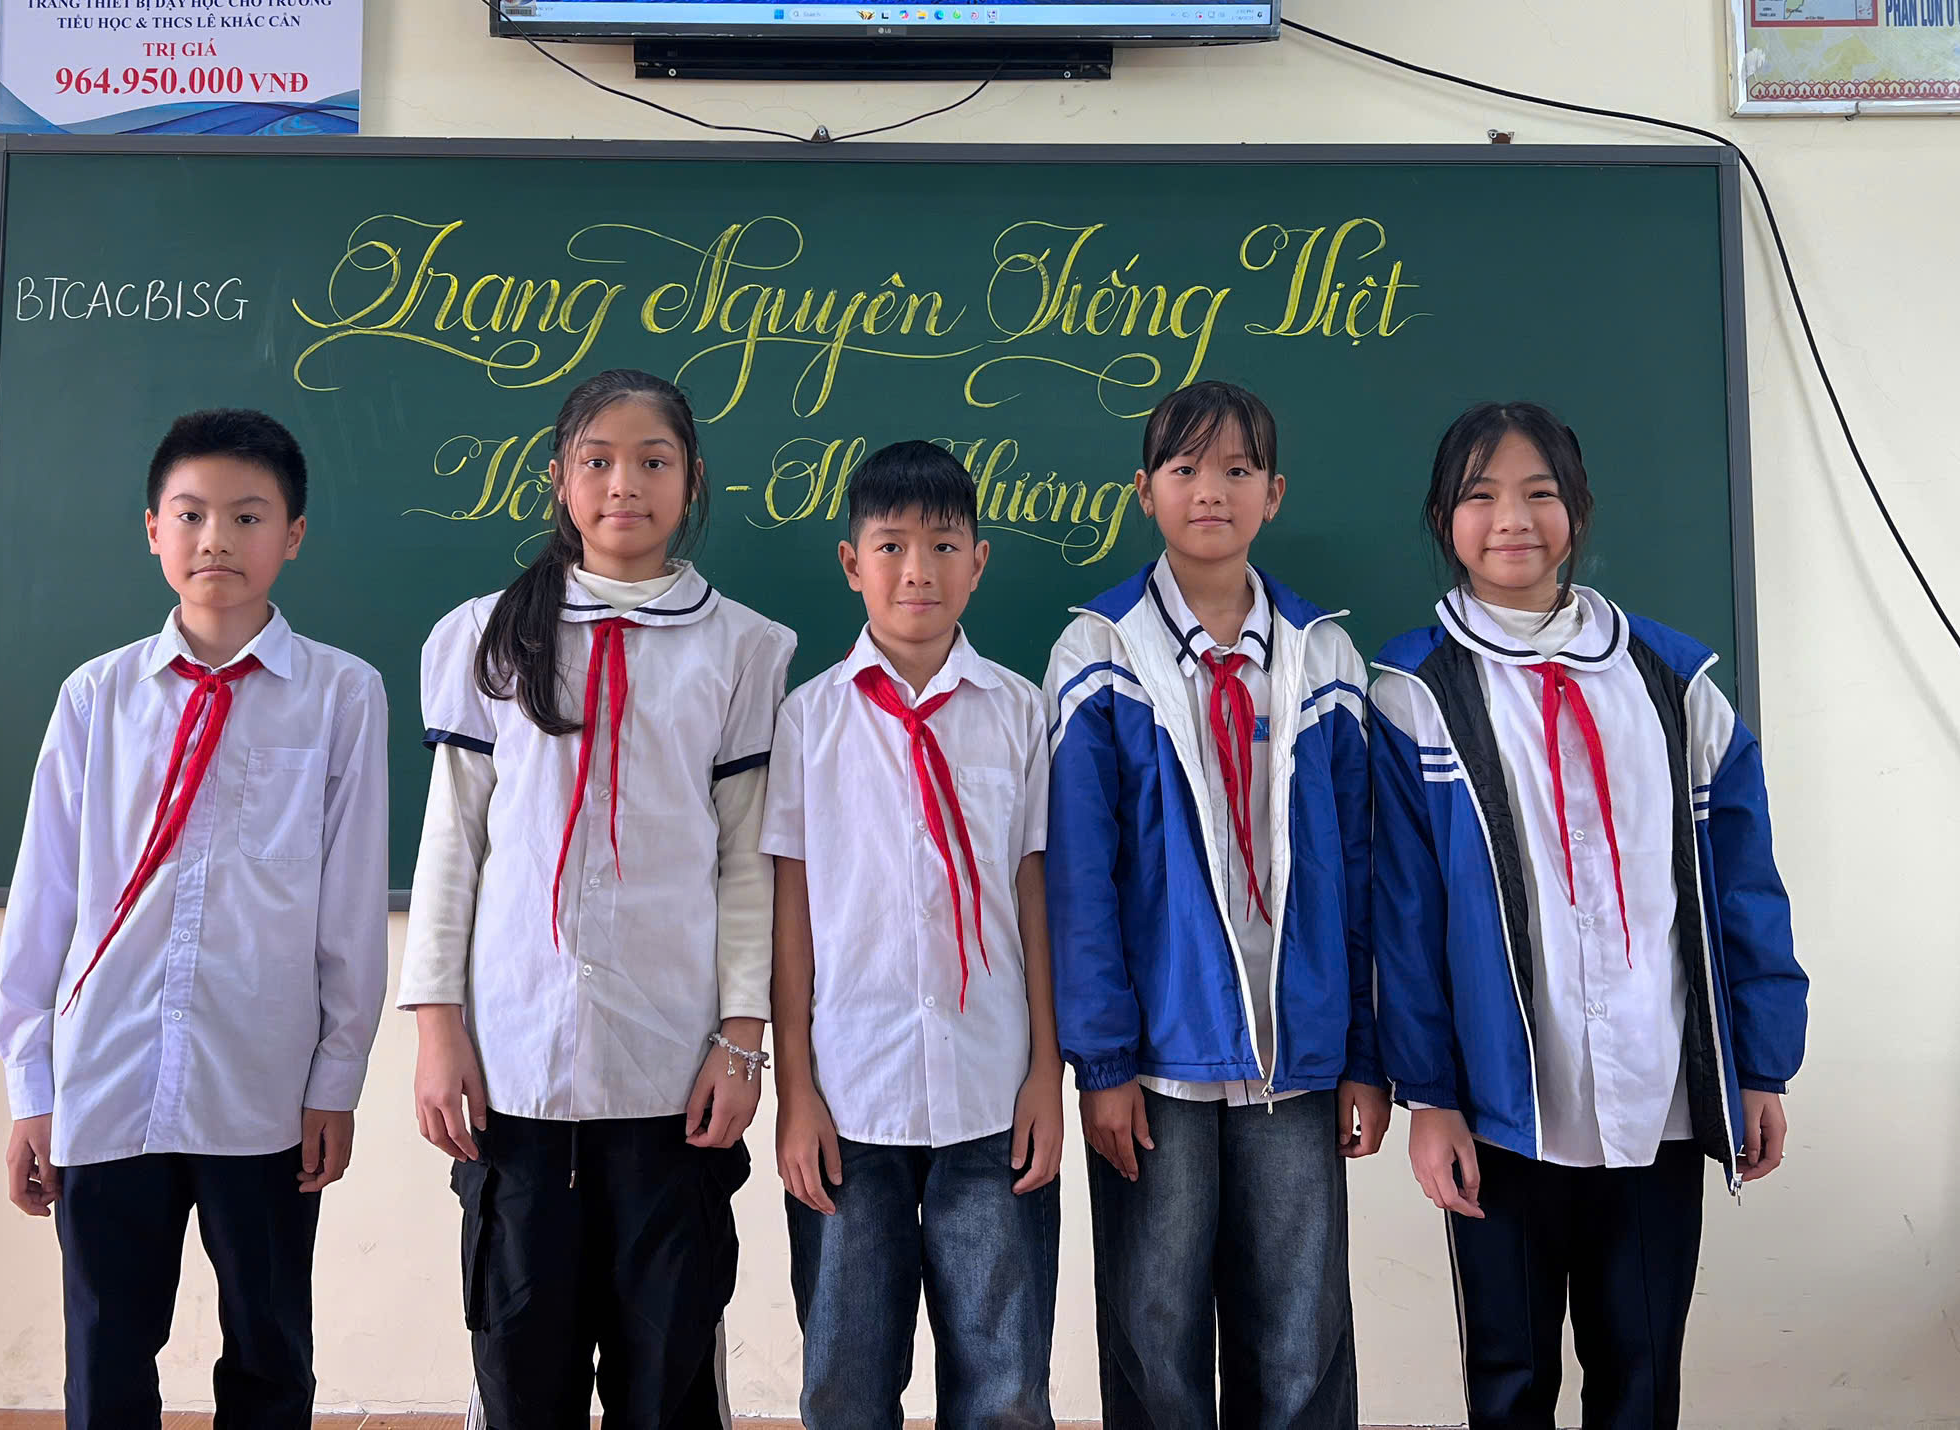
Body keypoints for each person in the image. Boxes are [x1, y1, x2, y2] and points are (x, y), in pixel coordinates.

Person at [1370, 401, 1807, 1430]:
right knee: (1510, 1373)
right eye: (1480, 496)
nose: (1511, 520)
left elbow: (1745, 885)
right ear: (1442, 518)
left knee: (1642, 1370)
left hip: (1659, 1092)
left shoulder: (1675, 680)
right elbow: (1405, 916)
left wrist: (1759, 1064)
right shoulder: (1413, 693)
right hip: (1502, 1104)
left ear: (1580, 509)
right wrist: (1430, 1097)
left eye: (1539, 493)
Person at [401, 368, 794, 1430]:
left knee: (667, 1381)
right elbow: (454, 844)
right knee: (520, 1370)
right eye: (599, 461)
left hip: (672, 1075)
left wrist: (742, 1039)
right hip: (517, 1073)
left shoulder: (743, 647)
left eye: (654, 462)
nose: (626, 483)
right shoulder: (487, 633)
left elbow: (745, 861)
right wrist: (437, 1028)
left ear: (693, 480)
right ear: (560, 479)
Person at [0, 407, 390, 1430]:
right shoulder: (97, 697)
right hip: (107, 1072)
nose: (218, 538)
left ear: (293, 535)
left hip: (261, 1080)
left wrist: (335, 1080)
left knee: (270, 1348)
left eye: (249, 516)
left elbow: (350, 909)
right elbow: (43, 899)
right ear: (153, 530)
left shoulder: (342, 696)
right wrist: (32, 1084)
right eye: (192, 514)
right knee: (106, 1350)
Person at [1045, 380, 1387, 1430]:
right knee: (1157, 1331)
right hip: (1158, 1060)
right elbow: (1081, 882)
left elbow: (1360, 872)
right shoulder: (1098, 653)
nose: (1211, 491)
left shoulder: (1324, 655)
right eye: (1185, 468)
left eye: (1238, 470)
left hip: (1299, 1054)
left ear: (1273, 494)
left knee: (1300, 1331)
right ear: (1143, 490)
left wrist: (1364, 1054)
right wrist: (1102, 1064)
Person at [766, 441, 1063, 1429]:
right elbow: (793, 919)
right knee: (844, 1383)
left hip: (993, 1095)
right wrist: (797, 1092)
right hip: (853, 1099)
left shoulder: (1020, 713)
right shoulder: (807, 722)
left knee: (1006, 1387)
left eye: (943, 545)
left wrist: (1045, 1075)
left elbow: (1034, 900)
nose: (917, 571)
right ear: (851, 563)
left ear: (979, 562)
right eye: (891, 546)